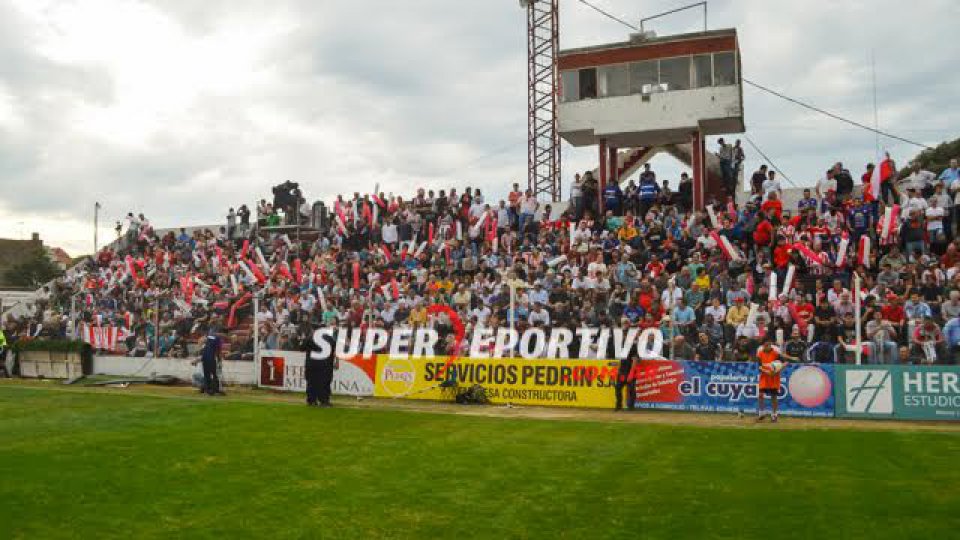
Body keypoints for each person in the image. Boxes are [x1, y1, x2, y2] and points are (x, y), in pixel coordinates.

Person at [756, 338, 798, 422]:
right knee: (760, 395)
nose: (767, 346)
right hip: (764, 377)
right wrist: (767, 372)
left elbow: (785, 363)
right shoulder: (760, 354)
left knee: (774, 396)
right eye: (765, 345)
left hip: (774, 378)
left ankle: (774, 415)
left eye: (768, 345)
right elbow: (759, 367)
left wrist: (778, 369)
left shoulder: (775, 354)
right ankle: (761, 413)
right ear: (763, 345)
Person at [305, 328, 337, 407]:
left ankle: (311, 400)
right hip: (324, 364)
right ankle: (324, 401)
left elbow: (302, 348)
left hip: (311, 364)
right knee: (324, 383)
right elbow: (334, 351)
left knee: (311, 382)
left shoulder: (309, 337)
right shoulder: (329, 338)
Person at [193, 327, 225, 396]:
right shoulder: (217, 339)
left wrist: (197, 359)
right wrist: (219, 360)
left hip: (206, 358)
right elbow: (218, 351)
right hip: (212, 358)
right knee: (214, 374)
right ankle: (215, 390)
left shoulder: (206, 338)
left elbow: (200, 348)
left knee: (207, 374)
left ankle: (208, 390)